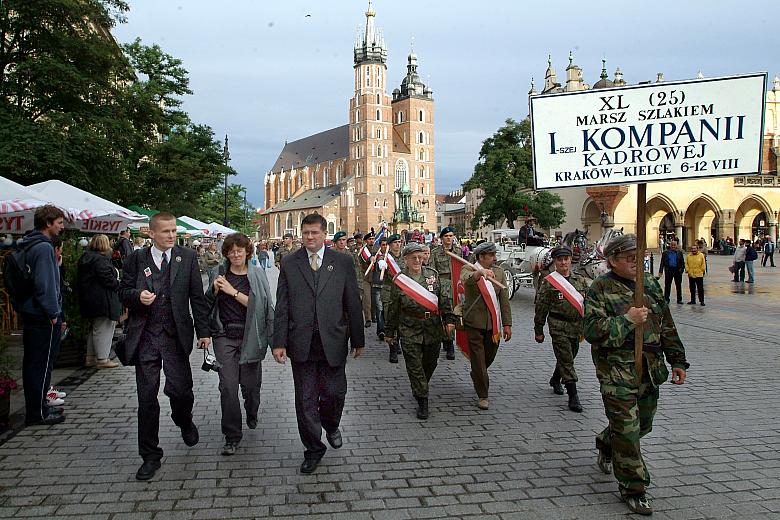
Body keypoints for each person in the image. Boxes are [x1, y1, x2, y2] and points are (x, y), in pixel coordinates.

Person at [584, 234, 689, 516]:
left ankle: (607, 442)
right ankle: (634, 488)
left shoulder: (650, 283)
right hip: (616, 372)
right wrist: (627, 320)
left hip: (649, 368)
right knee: (628, 432)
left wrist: (677, 359)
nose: (635, 262)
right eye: (629, 258)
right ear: (612, 261)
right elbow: (592, 330)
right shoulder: (600, 288)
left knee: (641, 425)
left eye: (638, 257)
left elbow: (666, 323)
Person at [119, 212, 211, 481]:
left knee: (181, 391)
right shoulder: (136, 260)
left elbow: (197, 297)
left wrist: (204, 332)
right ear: (151, 233)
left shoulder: (187, 258)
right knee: (147, 399)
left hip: (174, 336)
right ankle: (150, 455)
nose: (171, 235)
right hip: (146, 337)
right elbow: (122, 291)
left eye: (173, 231)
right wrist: (137, 296)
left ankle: (184, 420)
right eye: (165, 232)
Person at [272, 214, 364, 474]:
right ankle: (313, 448)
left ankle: (331, 424)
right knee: (305, 399)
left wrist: (358, 339)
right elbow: (283, 304)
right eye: (305, 233)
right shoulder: (290, 262)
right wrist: (278, 341)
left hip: (332, 341)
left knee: (335, 394)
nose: (309, 237)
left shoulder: (343, 261)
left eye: (314, 233)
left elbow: (352, 302)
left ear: (325, 234)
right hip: (301, 343)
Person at [205, 233, 274, 456]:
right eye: (231, 251)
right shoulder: (218, 272)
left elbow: (261, 306)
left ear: (247, 253)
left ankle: (251, 410)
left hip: (250, 335)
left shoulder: (257, 274)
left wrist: (232, 292)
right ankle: (232, 436)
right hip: (224, 335)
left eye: (240, 251)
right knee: (228, 387)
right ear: (226, 253)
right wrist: (215, 290)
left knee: (251, 386)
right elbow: (206, 303)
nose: (235, 255)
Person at [385, 243, 456, 420]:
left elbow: (444, 299)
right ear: (406, 259)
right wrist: (389, 332)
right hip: (409, 328)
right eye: (413, 258)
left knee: (430, 363)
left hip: (432, 326)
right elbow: (393, 308)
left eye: (420, 257)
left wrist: (449, 319)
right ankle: (423, 400)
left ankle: (420, 385)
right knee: (414, 366)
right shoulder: (400, 280)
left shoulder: (432, 275)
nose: (417, 260)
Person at [13, 205, 66, 426]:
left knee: (34, 364)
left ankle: (37, 409)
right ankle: (38, 413)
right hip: (43, 316)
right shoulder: (43, 248)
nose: (62, 227)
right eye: (59, 222)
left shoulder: (30, 243)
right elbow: (45, 285)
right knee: (42, 365)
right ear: (48, 223)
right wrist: (54, 314)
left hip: (32, 311)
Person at [534, 245, 589, 412]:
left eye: (566, 259)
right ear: (555, 262)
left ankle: (555, 378)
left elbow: (587, 305)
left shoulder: (580, 280)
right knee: (566, 359)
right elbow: (541, 307)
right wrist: (539, 330)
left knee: (570, 355)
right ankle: (573, 396)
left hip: (576, 326)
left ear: (571, 260)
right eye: (560, 260)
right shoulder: (549, 282)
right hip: (558, 325)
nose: (563, 262)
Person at [460, 242, 512, 410]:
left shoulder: (499, 272)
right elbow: (465, 279)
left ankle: (477, 372)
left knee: (488, 357)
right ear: (481, 257)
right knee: (478, 358)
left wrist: (507, 324)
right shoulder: (468, 268)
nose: (495, 258)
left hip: (493, 324)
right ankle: (483, 394)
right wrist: (479, 274)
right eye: (491, 255)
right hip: (474, 322)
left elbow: (504, 300)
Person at [77, 234, 121, 369]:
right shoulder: (100, 260)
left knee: (95, 329)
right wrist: (118, 283)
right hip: (103, 300)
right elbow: (108, 280)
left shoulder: (86, 258)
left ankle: (90, 357)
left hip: (90, 299)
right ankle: (102, 358)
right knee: (104, 329)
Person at [430, 226, 462, 360]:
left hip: (454, 285)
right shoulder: (435, 252)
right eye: (446, 236)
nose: (449, 238)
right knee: (443, 314)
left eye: (451, 236)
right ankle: (447, 340)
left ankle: (449, 343)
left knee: (453, 314)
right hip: (442, 286)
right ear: (442, 238)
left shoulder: (458, 251)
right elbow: (432, 270)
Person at [380, 234, 404, 363]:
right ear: (389, 245)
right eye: (395, 242)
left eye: (399, 242)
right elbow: (380, 272)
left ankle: (398, 341)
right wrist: (380, 265)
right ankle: (393, 349)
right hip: (389, 292)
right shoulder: (385, 258)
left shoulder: (406, 257)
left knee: (401, 321)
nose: (398, 244)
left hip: (402, 293)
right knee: (391, 321)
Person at [352, 233, 372, 328]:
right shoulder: (352, 249)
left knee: (366, 299)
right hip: (354, 276)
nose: (360, 240)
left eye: (361, 238)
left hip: (364, 277)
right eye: (358, 238)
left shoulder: (366, 250)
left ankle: (368, 318)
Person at [656, 239, 684, 304]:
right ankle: (666, 299)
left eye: (674, 245)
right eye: (672, 245)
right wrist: (660, 272)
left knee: (678, 286)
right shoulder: (665, 253)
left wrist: (681, 270)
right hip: (669, 271)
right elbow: (662, 263)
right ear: (670, 245)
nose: (673, 246)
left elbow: (682, 263)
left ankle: (679, 299)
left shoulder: (679, 253)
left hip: (677, 271)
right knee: (667, 285)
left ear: (677, 245)